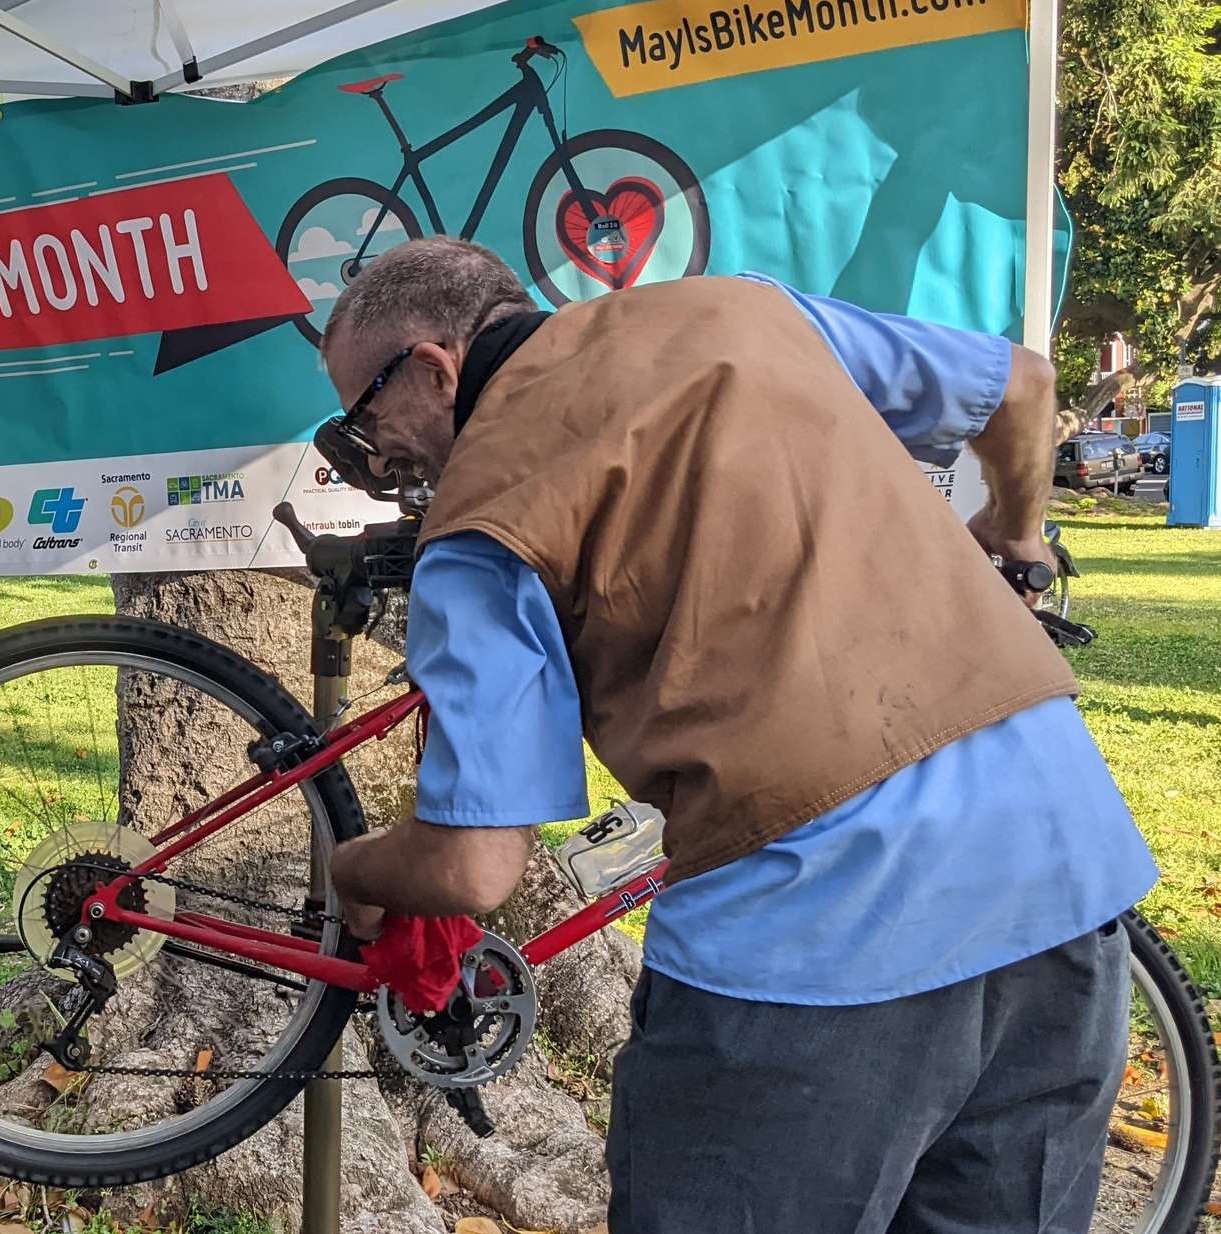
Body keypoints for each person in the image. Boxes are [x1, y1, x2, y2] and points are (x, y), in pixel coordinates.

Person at [319, 238, 1156, 1233]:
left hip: (810, 946)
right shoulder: (744, 311)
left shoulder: (478, 525)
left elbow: (470, 869)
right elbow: (1020, 385)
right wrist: (1015, 540)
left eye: (367, 415)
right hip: (1061, 874)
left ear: (431, 366)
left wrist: (358, 872)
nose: (377, 454)